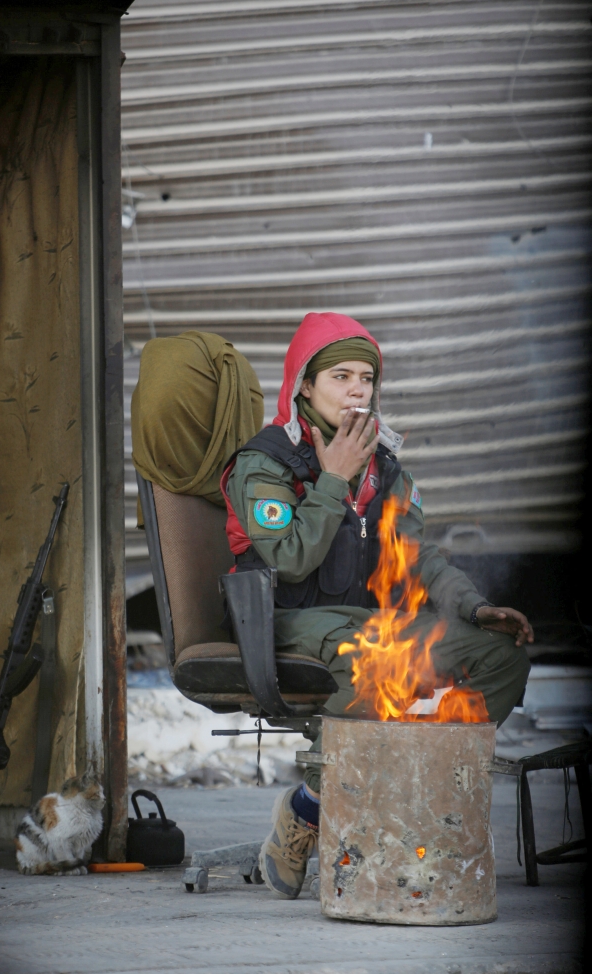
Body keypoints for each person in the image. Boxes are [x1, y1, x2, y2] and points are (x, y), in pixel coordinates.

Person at [221, 312, 533, 900]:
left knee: (501, 654)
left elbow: (419, 558)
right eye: (341, 376)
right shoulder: (263, 462)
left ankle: (410, 788)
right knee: (374, 654)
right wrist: (332, 479)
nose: (359, 389)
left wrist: (474, 607)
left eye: (367, 377)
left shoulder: (384, 466)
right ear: (304, 386)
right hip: (281, 624)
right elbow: (287, 559)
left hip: (369, 625)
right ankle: (309, 810)